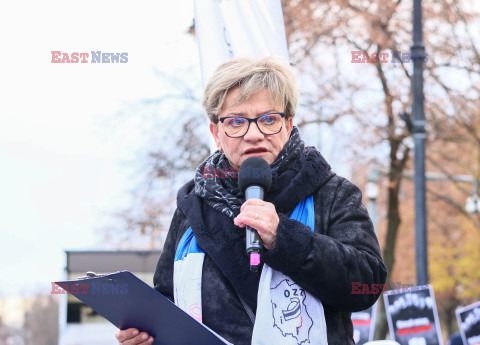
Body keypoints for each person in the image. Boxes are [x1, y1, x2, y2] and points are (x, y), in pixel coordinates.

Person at [115, 56, 387, 345]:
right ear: (216, 133)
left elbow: (366, 284)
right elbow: (168, 301)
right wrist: (145, 335)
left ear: (288, 124)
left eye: (268, 119)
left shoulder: (332, 194)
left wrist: (286, 238)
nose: (254, 134)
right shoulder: (193, 206)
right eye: (235, 121)